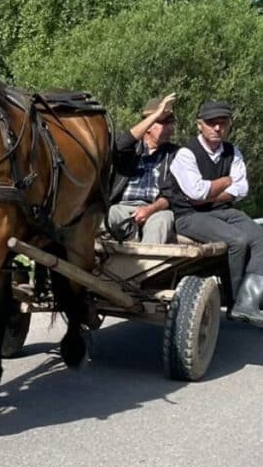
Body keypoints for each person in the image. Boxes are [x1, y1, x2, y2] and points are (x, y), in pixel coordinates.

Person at [166, 100, 263, 326]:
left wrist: (209, 194)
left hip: (224, 211)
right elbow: (195, 195)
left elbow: (241, 189)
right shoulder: (186, 154)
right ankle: (234, 300)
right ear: (200, 125)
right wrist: (227, 181)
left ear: (229, 124)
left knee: (259, 236)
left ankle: (249, 301)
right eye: (211, 123)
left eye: (222, 123)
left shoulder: (232, 152)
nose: (217, 128)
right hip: (189, 216)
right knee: (237, 240)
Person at [108, 93, 178, 243]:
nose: (171, 128)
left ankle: (147, 266)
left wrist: (149, 210)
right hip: (122, 207)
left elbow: (170, 195)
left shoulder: (176, 155)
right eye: (164, 122)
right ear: (149, 125)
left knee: (162, 222)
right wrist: (155, 115)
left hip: (157, 210)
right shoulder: (131, 150)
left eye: (171, 122)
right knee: (105, 217)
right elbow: (119, 145)